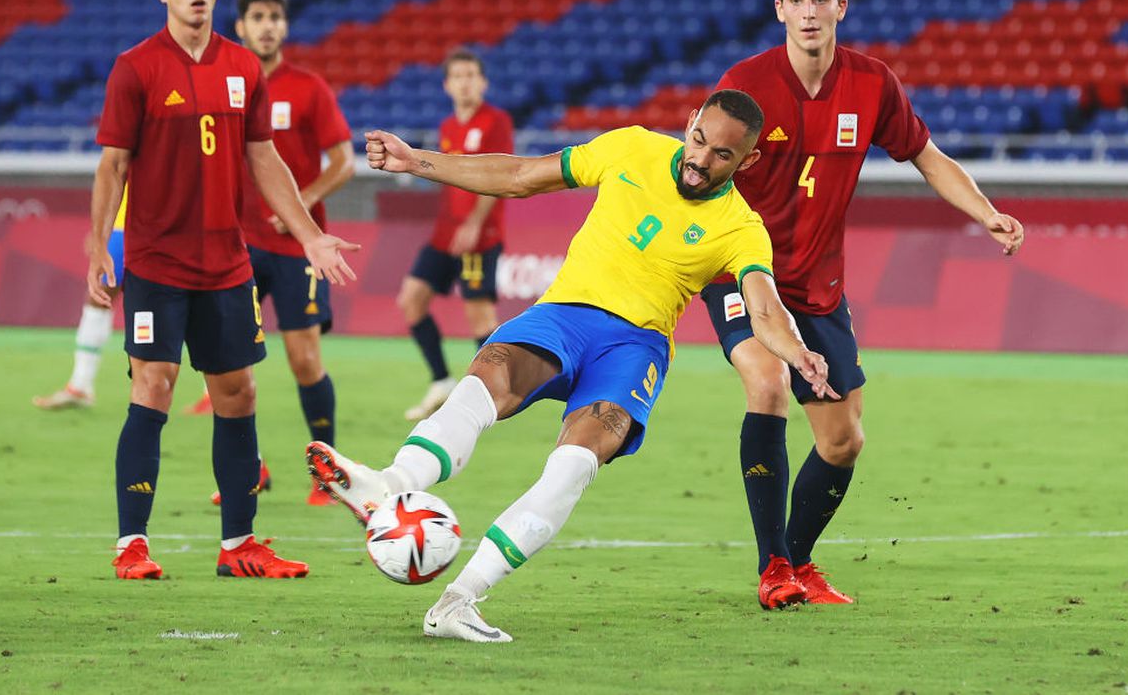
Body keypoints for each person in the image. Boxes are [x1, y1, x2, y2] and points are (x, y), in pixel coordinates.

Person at [307, 89, 839, 642]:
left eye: (722, 155)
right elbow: (520, 176)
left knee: (573, 466)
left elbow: (764, 305)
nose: (701, 160)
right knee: (485, 381)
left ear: (748, 161)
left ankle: (457, 602)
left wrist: (796, 351)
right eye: (699, 140)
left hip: (635, 348)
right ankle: (385, 485)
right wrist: (417, 160)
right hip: (565, 314)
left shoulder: (741, 227)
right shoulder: (631, 147)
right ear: (689, 124)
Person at [705, 0, 1025, 608]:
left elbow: (926, 156)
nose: (809, 11)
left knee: (844, 439)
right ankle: (772, 568)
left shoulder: (872, 84)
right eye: (796, 0)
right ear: (779, 11)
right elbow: (700, 167)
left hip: (819, 286)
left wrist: (986, 213)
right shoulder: (746, 84)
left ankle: (797, 560)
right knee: (766, 382)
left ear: (841, 8)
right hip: (746, 272)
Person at [89, 0, 357, 580]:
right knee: (153, 386)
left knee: (238, 391)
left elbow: (264, 158)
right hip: (156, 262)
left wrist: (309, 234)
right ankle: (132, 546)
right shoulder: (136, 67)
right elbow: (113, 163)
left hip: (227, 264)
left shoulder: (243, 69)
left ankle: (239, 544)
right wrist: (98, 243)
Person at [196, 0, 356, 507]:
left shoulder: (308, 87)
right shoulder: (222, 84)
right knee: (232, 362)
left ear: (284, 26)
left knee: (303, 358)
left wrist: (302, 204)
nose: (267, 26)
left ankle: (326, 471)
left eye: (274, 17)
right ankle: (250, 469)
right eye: (257, 17)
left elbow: (344, 161)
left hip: (295, 250)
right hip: (236, 245)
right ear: (239, 26)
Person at [396, 48, 514, 421]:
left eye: (471, 75)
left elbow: (499, 176)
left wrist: (475, 222)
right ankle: (442, 381)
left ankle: (498, 391)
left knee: (480, 317)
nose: (465, 82)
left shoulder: (496, 122)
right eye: (458, 76)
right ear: (448, 85)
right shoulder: (447, 127)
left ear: (483, 82)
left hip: (480, 235)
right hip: (444, 234)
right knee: (411, 300)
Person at [32, 190, 128, 409]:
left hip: (153, 224)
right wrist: (102, 229)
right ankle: (80, 385)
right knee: (100, 296)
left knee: (183, 299)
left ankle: (214, 390)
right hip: (126, 224)